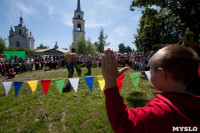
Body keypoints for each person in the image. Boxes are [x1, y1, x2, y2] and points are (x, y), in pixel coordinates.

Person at [101, 46, 200, 133]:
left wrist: (110, 80)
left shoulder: (159, 113)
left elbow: (124, 125)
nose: (149, 72)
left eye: (151, 70)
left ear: (161, 74)